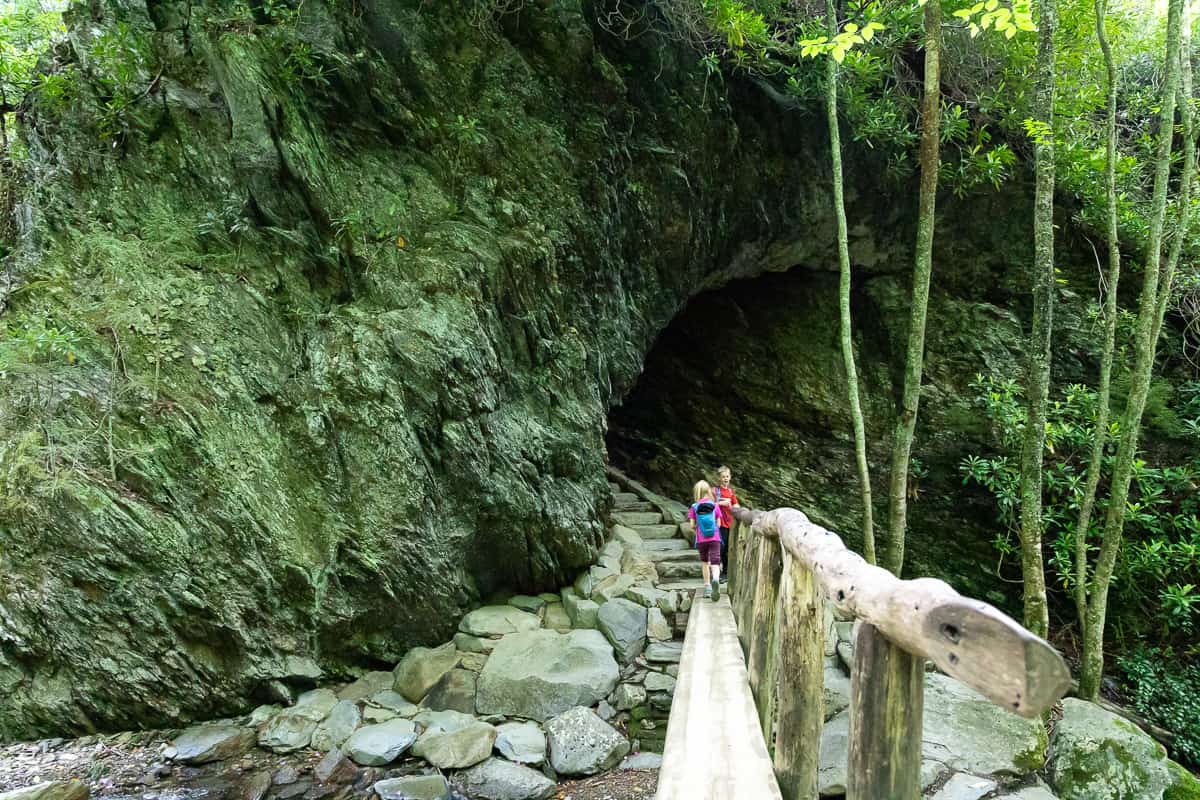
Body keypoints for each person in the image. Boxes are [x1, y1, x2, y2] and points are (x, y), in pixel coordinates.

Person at [689, 480, 723, 601]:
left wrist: (699, 528)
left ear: (696, 492)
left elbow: (692, 525)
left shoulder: (694, 507)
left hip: (701, 540)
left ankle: (708, 587)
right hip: (714, 538)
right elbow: (719, 524)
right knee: (715, 562)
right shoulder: (715, 505)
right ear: (708, 491)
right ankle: (716, 579)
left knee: (705, 562)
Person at [713, 466, 739, 583]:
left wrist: (733, 507)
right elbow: (710, 503)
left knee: (728, 548)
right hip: (719, 523)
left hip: (730, 524)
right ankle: (717, 572)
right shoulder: (715, 491)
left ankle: (726, 572)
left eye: (727, 476)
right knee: (721, 548)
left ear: (730, 477)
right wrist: (723, 502)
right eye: (723, 477)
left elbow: (736, 505)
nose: (725, 479)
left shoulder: (730, 491)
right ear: (719, 478)